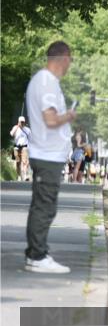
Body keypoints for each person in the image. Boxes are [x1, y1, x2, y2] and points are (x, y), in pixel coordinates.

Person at [23, 41, 76, 274]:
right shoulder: (47, 82)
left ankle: (36, 254)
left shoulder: (42, 80)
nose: (70, 64)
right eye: (70, 59)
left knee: (42, 205)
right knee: (44, 207)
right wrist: (69, 115)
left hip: (47, 153)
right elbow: (51, 119)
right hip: (47, 155)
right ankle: (37, 256)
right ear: (63, 58)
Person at [9, 116, 31, 181]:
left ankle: (25, 175)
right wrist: (17, 127)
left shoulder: (27, 129)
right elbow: (11, 134)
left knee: (25, 162)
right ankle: (19, 176)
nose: (22, 123)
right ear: (18, 122)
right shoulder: (15, 128)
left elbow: (31, 138)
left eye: (23, 122)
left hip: (24, 147)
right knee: (18, 162)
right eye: (21, 122)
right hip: (16, 147)